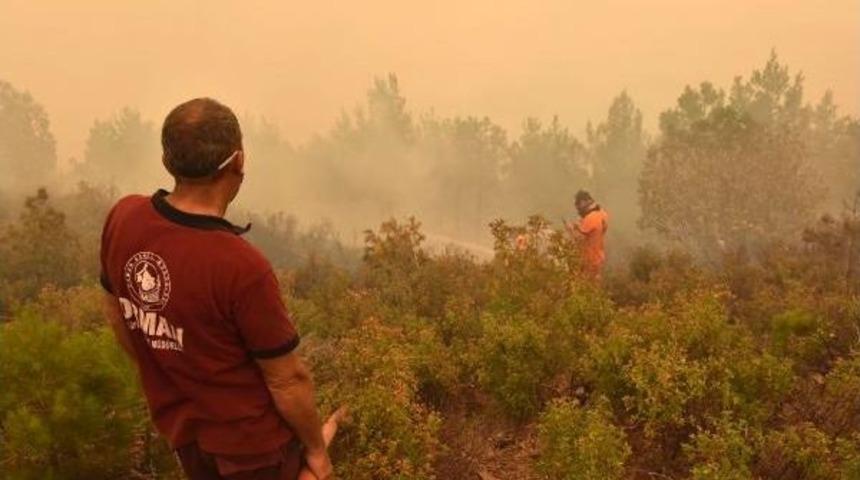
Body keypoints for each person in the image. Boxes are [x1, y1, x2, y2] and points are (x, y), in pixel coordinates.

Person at [99, 97, 340, 480]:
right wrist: (316, 451)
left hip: (183, 434)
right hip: (255, 452)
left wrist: (172, 374)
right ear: (239, 162)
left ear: (167, 160)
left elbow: (119, 317)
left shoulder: (124, 219)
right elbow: (287, 378)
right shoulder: (241, 266)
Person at [566, 190, 609, 279]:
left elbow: (578, 239)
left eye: (578, 205)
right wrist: (579, 225)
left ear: (584, 202)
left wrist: (570, 229)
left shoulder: (590, 218)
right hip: (599, 259)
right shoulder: (602, 214)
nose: (578, 209)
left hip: (588, 262)